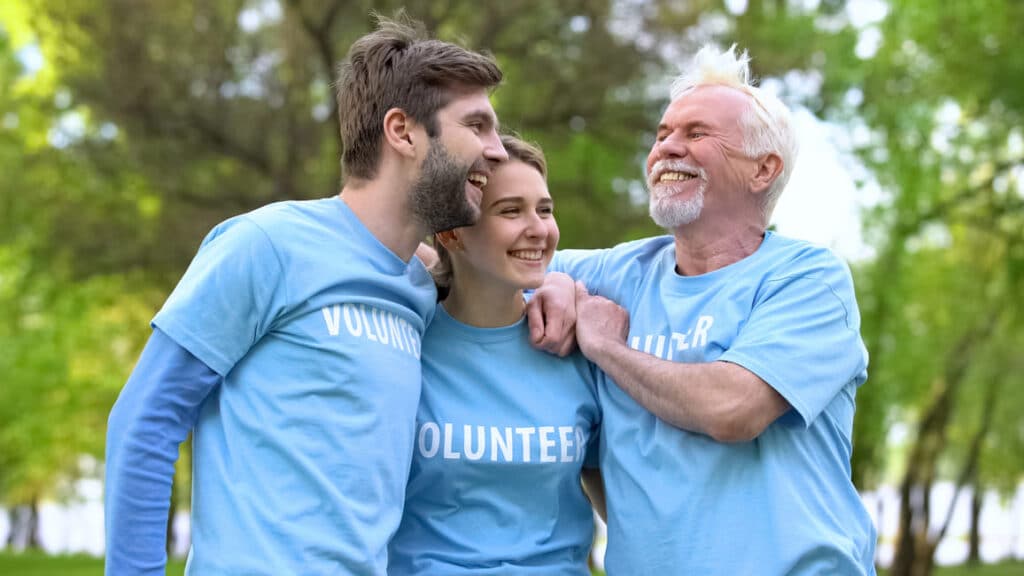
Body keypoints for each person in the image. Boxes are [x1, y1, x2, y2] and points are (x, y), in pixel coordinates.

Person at [104, 16, 508, 575]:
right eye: (478, 125)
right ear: (404, 131)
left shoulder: (417, 288)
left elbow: (508, 281)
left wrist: (556, 289)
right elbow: (146, 420)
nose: (499, 151)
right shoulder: (268, 245)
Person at [540, 45, 878, 574]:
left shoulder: (808, 279)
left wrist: (606, 347)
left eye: (696, 134)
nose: (667, 149)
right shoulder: (621, 272)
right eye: (662, 134)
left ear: (763, 169)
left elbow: (733, 409)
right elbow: (481, 263)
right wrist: (552, 284)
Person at [388, 135, 604, 575]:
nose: (539, 228)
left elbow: (623, 508)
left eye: (544, 209)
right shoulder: (401, 345)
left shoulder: (576, 348)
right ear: (451, 232)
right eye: (510, 211)